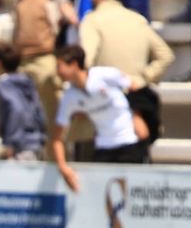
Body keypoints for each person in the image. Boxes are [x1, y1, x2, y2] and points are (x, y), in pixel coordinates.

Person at [78, 0, 171, 147]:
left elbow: (86, 60)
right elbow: (165, 56)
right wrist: (144, 77)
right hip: (138, 95)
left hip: (106, 102)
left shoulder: (92, 21)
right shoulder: (137, 19)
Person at [49, 45, 147, 191]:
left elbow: (135, 88)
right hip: (104, 147)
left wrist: (137, 116)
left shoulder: (104, 75)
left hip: (129, 141)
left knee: (134, 195)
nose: (57, 72)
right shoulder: (69, 97)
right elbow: (57, 138)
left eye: (59, 66)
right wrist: (63, 168)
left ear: (74, 65)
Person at [12, 0, 77, 128]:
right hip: (22, 60)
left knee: (51, 116)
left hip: (45, 58)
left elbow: (68, 13)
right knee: (23, 118)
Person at [0, 42, 46, 161]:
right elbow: (39, 109)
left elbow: (15, 109)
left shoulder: (5, 84)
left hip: (20, 145)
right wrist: (42, 136)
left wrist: (10, 143)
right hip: (36, 141)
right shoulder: (27, 81)